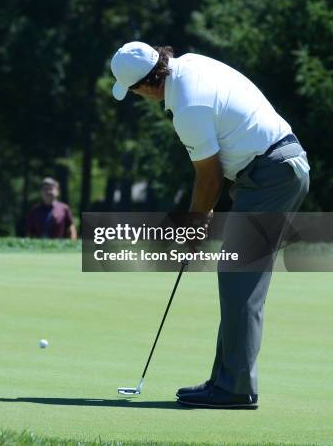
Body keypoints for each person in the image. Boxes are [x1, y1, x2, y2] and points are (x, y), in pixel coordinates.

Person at [110, 41, 310, 409]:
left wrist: (193, 227)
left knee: (238, 275)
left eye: (135, 93)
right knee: (238, 275)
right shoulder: (190, 64)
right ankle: (226, 380)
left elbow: (209, 179)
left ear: (145, 86)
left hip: (272, 174)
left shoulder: (187, 106)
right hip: (274, 169)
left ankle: (235, 388)